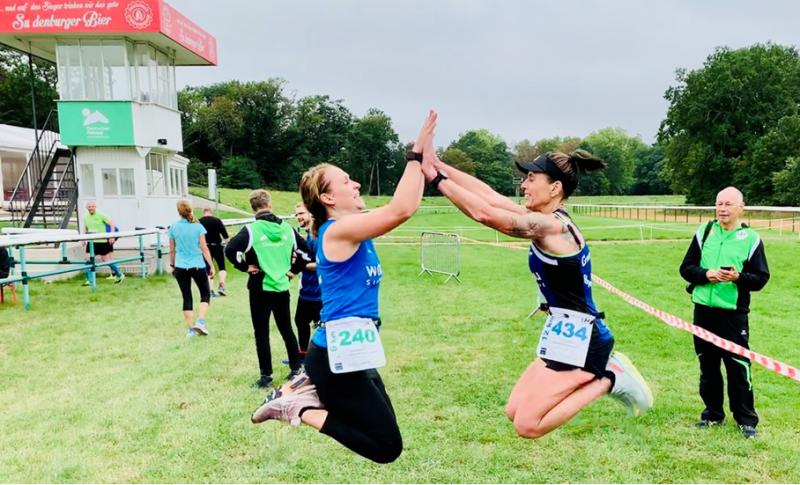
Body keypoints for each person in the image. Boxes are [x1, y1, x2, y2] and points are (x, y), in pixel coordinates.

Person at [420, 147, 653, 439]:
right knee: (513, 410)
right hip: (562, 333)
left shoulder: (552, 227)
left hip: (585, 340)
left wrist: (436, 179)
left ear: (554, 188)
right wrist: (439, 165)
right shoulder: (544, 218)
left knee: (527, 425)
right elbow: (489, 197)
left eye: (531, 179)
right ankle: (606, 374)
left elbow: (485, 214)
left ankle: (610, 377)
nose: (524, 185)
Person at [250, 110, 437, 464]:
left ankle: (305, 390)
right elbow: (401, 209)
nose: (356, 184)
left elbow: (405, 204)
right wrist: (415, 154)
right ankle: (297, 408)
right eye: (347, 181)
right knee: (386, 447)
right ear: (328, 199)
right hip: (335, 356)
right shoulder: (337, 231)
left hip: (354, 349)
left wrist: (425, 165)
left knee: (386, 430)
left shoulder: (353, 227)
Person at [679, 186, 769, 439]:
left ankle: (746, 421)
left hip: (732, 315)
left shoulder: (751, 238)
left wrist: (737, 277)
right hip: (703, 311)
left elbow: (761, 278)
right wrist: (706, 274)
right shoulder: (704, 232)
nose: (722, 209)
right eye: (719, 203)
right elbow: (686, 268)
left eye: (728, 204)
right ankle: (712, 415)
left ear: (741, 207)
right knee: (708, 366)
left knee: (738, 367)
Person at [225, 189, 311, 390]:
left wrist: (244, 267)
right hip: (281, 286)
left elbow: (230, 249)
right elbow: (306, 254)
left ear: (253, 207)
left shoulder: (251, 230)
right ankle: (295, 368)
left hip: (259, 287)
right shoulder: (288, 229)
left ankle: (266, 376)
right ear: (270, 205)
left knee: (261, 332)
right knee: (286, 328)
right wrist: (293, 271)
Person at [168, 199, 214, 337]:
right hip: (198, 265)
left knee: (186, 296)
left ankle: (191, 329)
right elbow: (204, 248)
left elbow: (172, 250)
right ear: (190, 210)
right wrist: (211, 265)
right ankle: (200, 321)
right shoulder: (198, 227)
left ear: (178, 212)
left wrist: (172, 265)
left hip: (181, 266)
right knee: (205, 294)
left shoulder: (173, 227)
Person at [293, 202, 322, 362]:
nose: (298, 217)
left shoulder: (317, 237)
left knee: (320, 326)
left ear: (311, 213)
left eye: (301, 213)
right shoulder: (309, 234)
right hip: (306, 291)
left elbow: (321, 265)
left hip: (318, 292)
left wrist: (300, 264)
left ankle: (318, 359)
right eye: (296, 214)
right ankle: (303, 356)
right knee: (301, 321)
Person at [82, 201, 124, 285]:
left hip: (102, 241)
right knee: (87, 259)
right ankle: (90, 280)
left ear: (95, 207)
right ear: (87, 208)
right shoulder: (85, 217)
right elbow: (85, 228)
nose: (91, 208)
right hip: (91, 241)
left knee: (106, 260)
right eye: (89, 207)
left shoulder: (100, 215)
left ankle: (119, 274)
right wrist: (83, 239)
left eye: (92, 206)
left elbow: (112, 224)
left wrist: (112, 236)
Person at [199, 208, 229, 297]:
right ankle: (221, 286)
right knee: (222, 267)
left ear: (203, 212)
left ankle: (211, 291)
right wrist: (226, 244)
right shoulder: (217, 220)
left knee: (208, 269)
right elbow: (225, 236)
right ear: (211, 212)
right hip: (217, 246)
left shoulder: (199, 221)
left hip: (205, 247)